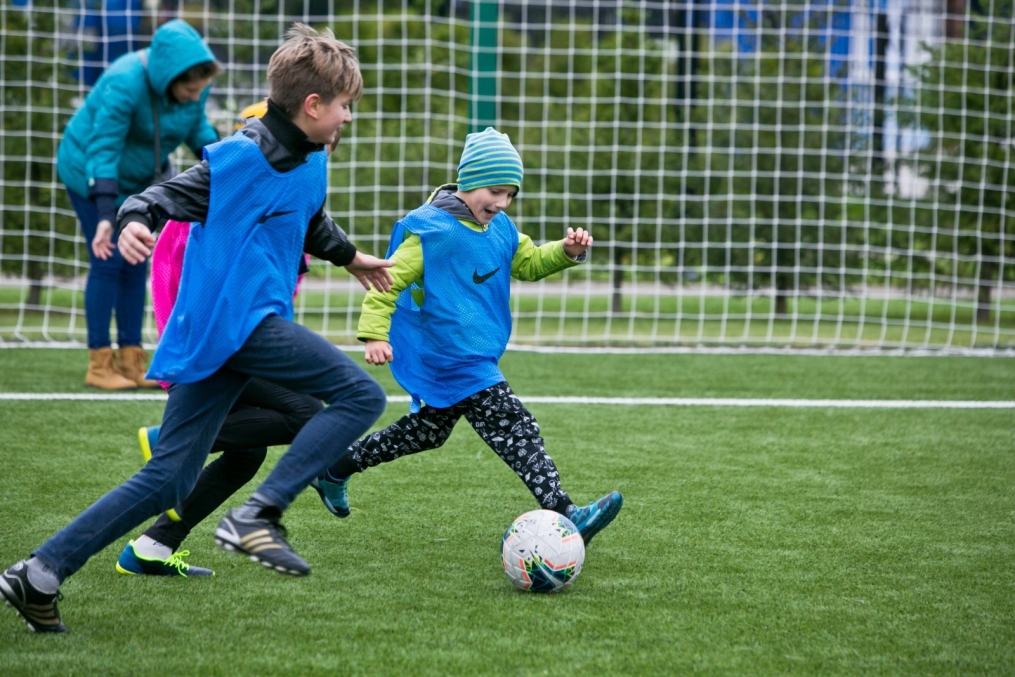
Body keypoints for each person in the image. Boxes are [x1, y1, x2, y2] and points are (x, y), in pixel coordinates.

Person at [1, 24, 392, 633]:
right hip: (237, 323)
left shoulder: (313, 156)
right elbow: (163, 194)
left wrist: (351, 257)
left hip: (232, 335)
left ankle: (40, 573)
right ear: (313, 105)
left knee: (171, 478)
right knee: (359, 394)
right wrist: (133, 217)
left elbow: (309, 219)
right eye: (345, 106)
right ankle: (258, 515)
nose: (348, 117)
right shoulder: (243, 155)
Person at [310, 127, 623, 546]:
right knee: (515, 425)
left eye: (510, 194)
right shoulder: (431, 232)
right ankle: (565, 510)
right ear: (470, 181)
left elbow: (528, 262)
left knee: (426, 433)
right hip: (448, 356)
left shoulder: (502, 228)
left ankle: (335, 467)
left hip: (474, 355)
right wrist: (374, 336)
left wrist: (566, 252)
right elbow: (389, 280)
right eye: (495, 191)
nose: (501, 202)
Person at [116, 218, 322, 578]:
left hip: (209, 341)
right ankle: (170, 440)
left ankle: (151, 547)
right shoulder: (238, 195)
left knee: (245, 455)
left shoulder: (276, 199)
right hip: (213, 345)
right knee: (307, 411)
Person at [58, 19, 221, 390]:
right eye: (189, 89)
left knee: (136, 262)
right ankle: (99, 363)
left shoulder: (195, 87)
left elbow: (197, 131)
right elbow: (104, 148)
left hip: (139, 186)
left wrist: (227, 167)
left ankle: (132, 360)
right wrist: (104, 215)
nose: (196, 96)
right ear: (168, 78)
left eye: (201, 89)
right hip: (90, 173)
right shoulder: (125, 80)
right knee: (108, 260)